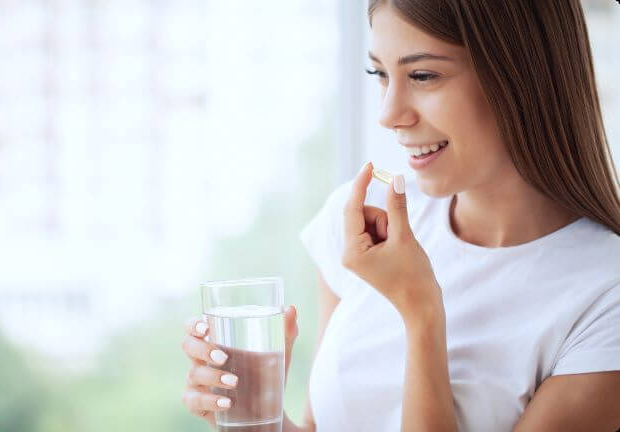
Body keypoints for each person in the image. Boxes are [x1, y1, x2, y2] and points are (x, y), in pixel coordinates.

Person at [182, 0, 620, 430]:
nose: (388, 114)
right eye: (380, 74)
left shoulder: (606, 296)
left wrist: (421, 310)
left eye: (423, 75)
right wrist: (259, 420)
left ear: (525, 77)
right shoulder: (361, 226)